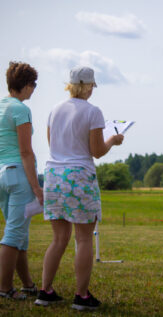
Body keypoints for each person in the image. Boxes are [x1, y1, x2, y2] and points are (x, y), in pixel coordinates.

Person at [34, 66, 124, 311]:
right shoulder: (93, 112)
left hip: (53, 175)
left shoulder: (54, 110)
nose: (92, 91)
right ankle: (81, 296)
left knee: (59, 238)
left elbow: (53, 144)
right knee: (83, 238)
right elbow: (97, 151)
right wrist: (113, 141)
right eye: (92, 86)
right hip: (79, 176)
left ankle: (45, 290)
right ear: (87, 86)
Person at [0, 61, 43, 300]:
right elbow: (26, 152)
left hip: (1, 175)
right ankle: (4, 289)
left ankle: (27, 283)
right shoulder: (20, 109)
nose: (34, 89)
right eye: (34, 85)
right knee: (13, 235)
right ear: (26, 86)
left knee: (19, 234)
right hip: (18, 175)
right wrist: (36, 187)